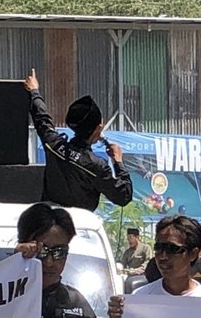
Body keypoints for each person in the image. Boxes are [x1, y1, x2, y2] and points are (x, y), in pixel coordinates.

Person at [23, 69, 133, 212]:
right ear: (99, 127)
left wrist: (34, 91)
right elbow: (124, 195)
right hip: (78, 223)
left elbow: (42, 119)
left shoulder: (54, 145)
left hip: (49, 217)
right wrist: (118, 161)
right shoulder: (97, 166)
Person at [15, 202, 101, 318]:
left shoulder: (78, 305)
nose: (49, 262)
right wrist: (13, 264)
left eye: (58, 252)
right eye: (41, 251)